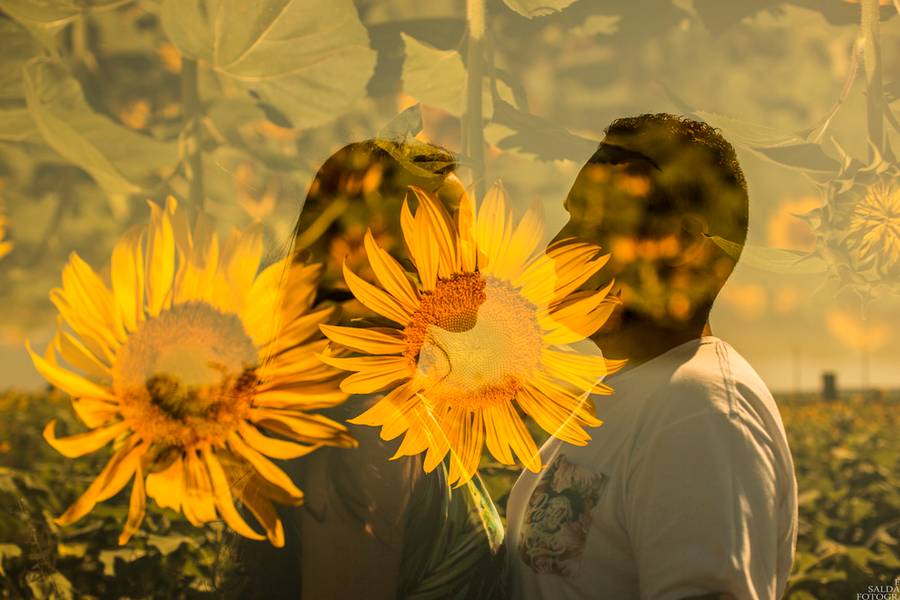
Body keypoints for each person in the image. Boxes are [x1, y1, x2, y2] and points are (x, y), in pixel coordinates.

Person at [505, 114, 798, 600]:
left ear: (679, 241)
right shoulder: (635, 393)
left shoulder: (698, 411)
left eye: (589, 221)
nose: (555, 248)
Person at [225, 139, 506, 599]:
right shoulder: (369, 429)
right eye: (458, 235)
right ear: (381, 257)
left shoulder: (382, 399)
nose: (482, 260)